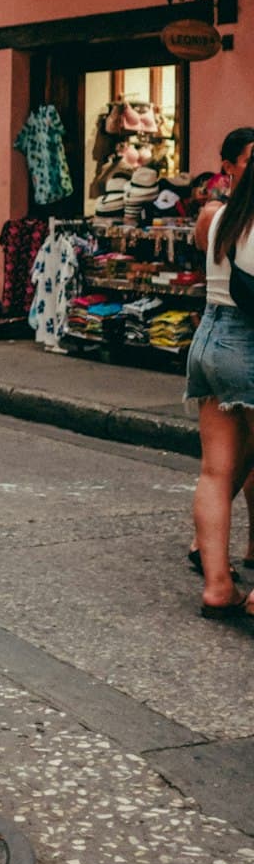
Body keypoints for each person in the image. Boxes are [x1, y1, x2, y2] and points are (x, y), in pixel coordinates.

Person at [188, 126, 254, 596]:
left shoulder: (216, 217)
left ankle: (217, 586)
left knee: (215, 471)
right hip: (248, 345)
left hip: (208, 341)